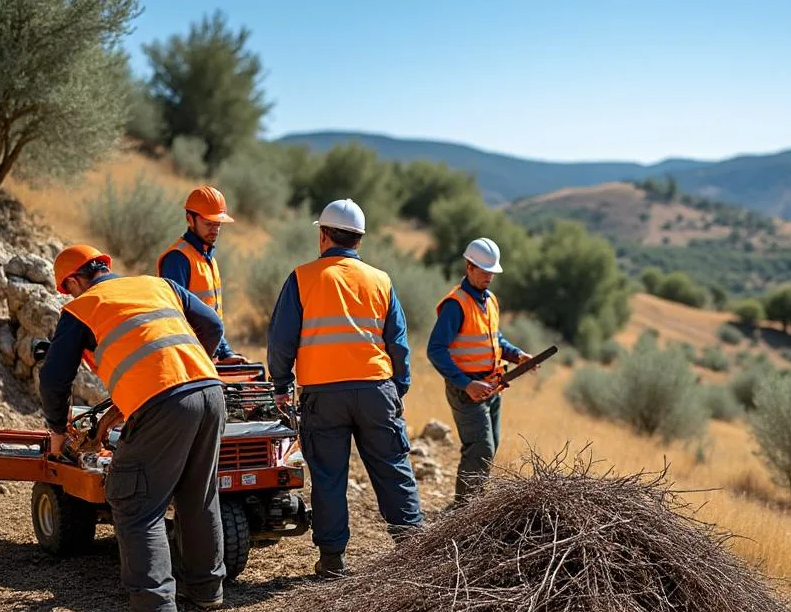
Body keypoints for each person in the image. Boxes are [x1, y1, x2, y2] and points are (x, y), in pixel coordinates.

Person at [40, 244, 227, 612]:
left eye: (67, 289)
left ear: (73, 281)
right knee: (198, 493)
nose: (69, 295)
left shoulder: (83, 307)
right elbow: (213, 325)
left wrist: (56, 430)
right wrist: (190, 367)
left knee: (134, 501)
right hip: (210, 391)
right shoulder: (158, 285)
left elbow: (54, 377)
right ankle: (206, 588)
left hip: (163, 402)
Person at [266, 198, 424, 577]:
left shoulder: (303, 278)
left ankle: (333, 559)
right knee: (393, 468)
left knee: (328, 476)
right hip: (376, 390)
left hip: (324, 395)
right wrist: (397, 389)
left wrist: (282, 384)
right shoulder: (381, 280)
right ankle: (415, 550)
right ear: (359, 239)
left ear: (323, 235)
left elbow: (281, 340)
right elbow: (398, 344)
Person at [427, 238, 531, 504]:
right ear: (469, 267)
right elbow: (435, 350)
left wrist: (516, 355)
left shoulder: (490, 300)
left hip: (492, 387)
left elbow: (494, 338)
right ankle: (465, 510)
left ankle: (474, 503)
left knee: (490, 446)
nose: (489, 277)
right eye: (484, 271)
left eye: (492, 272)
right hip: (466, 391)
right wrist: (465, 383)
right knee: (480, 448)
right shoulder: (456, 304)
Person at [157, 185, 247, 365]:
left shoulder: (208, 259)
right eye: (208, 224)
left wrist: (225, 353)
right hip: (188, 358)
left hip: (206, 356)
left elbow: (213, 316)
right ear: (190, 219)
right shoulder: (177, 259)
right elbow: (175, 319)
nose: (214, 230)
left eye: (218, 224)